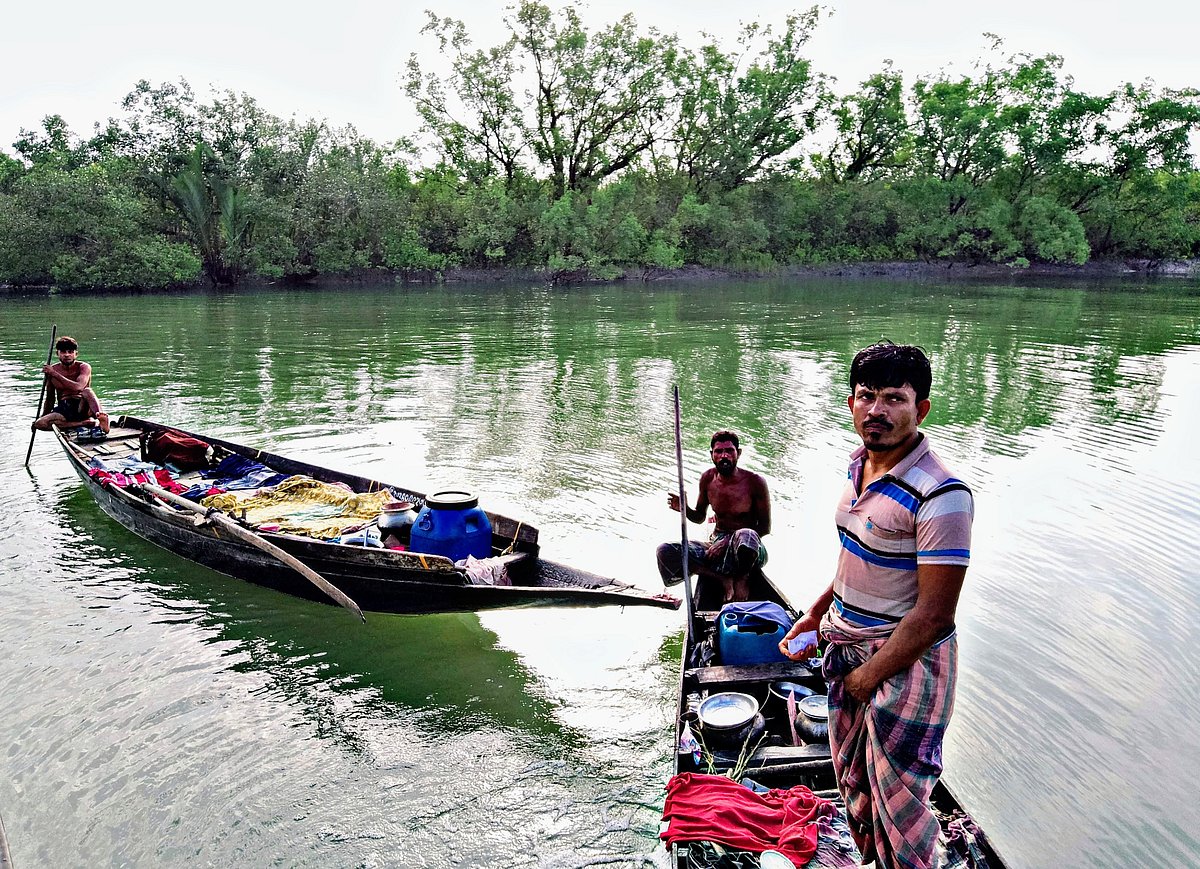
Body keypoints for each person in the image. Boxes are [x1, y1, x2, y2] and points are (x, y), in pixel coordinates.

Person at [779, 341, 974, 869]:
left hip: (903, 664)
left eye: (894, 398)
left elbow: (935, 616)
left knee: (902, 801)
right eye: (867, 396)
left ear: (921, 409)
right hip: (844, 648)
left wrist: (866, 679)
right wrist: (817, 614)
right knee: (855, 784)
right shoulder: (854, 469)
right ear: (851, 403)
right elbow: (853, 555)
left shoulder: (942, 493)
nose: (877, 411)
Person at [657, 430, 771, 603]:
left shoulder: (755, 482)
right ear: (712, 455)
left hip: (749, 548)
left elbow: (764, 527)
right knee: (665, 551)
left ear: (738, 453)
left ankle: (742, 580)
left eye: (729, 451)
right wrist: (684, 509)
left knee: (746, 534)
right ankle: (721, 578)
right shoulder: (708, 478)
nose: (724, 456)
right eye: (718, 452)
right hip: (716, 542)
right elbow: (700, 517)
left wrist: (726, 543)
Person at [31, 336, 110, 438]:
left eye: (70, 352)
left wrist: (55, 374)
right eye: (63, 352)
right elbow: (50, 399)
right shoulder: (52, 371)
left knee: (87, 391)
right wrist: (42, 417)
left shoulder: (83, 367)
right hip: (64, 409)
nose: (67, 355)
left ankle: (101, 418)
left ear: (76, 354)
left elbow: (78, 387)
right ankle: (84, 424)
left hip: (82, 407)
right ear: (57, 354)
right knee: (40, 423)